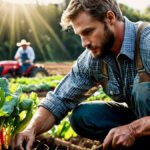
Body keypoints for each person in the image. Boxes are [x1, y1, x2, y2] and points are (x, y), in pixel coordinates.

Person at [11, 0, 150, 149]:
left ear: (110, 18)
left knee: (141, 89)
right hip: (142, 123)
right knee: (82, 116)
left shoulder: (146, 43)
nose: (84, 43)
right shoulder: (93, 58)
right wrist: (30, 130)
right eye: (80, 35)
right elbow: (59, 99)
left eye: (88, 32)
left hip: (142, 126)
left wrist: (132, 130)